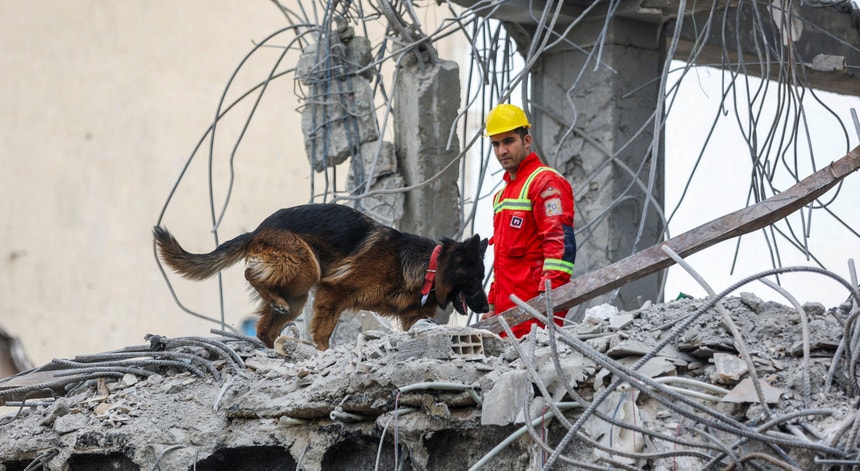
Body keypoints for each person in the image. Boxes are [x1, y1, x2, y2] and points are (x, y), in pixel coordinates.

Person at [479, 103, 576, 338]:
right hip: (506, 319)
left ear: (526, 140)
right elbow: (502, 261)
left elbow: (560, 249)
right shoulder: (501, 196)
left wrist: (547, 303)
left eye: (508, 141)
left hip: (536, 318)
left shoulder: (545, 183)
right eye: (495, 143)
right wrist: (491, 305)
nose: (502, 150)